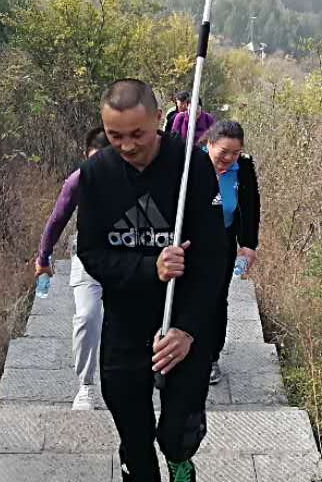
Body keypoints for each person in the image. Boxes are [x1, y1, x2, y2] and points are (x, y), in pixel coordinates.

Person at [77, 78, 228, 482]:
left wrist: (187, 330)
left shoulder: (192, 165)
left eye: (137, 134)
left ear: (159, 119)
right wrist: (150, 268)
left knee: (177, 434)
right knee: (134, 437)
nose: (126, 146)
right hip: (125, 322)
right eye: (115, 136)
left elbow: (215, 258)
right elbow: (91, 252)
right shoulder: (96, 174)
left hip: (184, 320)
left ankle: (180, 460)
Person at [34, 125, 112, 409]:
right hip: (88, 256)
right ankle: (86, 385)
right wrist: (43, 257)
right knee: (87, 317)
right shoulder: (79, 180)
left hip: (128, 259)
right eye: (94, 160)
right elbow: (57, 219)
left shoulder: (134, 178)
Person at [201, 118, 260, 385]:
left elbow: (250, 206)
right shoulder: (191, 164)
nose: (228, 158)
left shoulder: (243, 168)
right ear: (209, 144)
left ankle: (211, 357)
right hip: (190, 242)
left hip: (222, 242)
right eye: (223, 151)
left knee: (216, 299)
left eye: (235, 153)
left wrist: (248, 245)